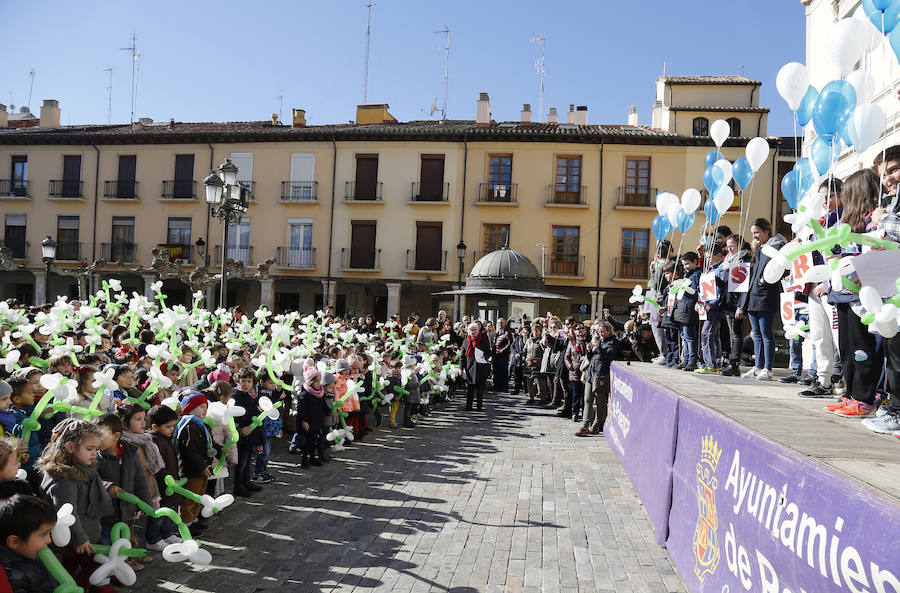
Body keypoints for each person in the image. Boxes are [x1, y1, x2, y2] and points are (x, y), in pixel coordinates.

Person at [825, 169, 884, 418]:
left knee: (863, 348)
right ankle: (850, 393)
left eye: (847, 193)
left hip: (863, 292)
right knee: (847, 348)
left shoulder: (875, 220)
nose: (843, 198)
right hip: (842, 291)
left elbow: (874, 252)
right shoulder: (845, 223)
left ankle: (864, 397)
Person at [37, 419, 115, 590]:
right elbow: (67, 514)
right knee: (76, 573)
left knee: (85, 570)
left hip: (85, 537)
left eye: (96, 449)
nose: (94, 453)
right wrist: (80, 538)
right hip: (73, 544)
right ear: (71, 447)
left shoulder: (83, 469)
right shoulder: (65, 480)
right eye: (89, 449)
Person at [94, 413, 151, 572]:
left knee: (125, 536)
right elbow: (93, 478)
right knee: (107, 541)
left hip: (126, 507)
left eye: (100, 437)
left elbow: (140, 479)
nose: (96, 442)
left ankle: (127, 560)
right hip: (107, 511)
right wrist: (107, 486)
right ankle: (112, 570)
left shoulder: (129, 453)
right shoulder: (96, 456)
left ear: (116, 436)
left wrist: (145, 503)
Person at [737, 218, 786, 381]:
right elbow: (751, 278)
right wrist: (742, 304)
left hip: (766, 296)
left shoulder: (777, 246)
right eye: (753, 233)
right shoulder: (758, 249)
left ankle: (768, 369)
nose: (755, 236)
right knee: (756, 335)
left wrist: (766, 280)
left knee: (766, 334)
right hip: (753, 297)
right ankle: (758, 366)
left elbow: (782, 268)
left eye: (757, 232)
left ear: (766, 231)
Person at [174, 391, 217, 529]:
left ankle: (194, 520)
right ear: (190, 409)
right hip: (191, 470)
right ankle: (185, 524)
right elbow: (190, 451)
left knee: (198, 496)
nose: (205, 409)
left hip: (201, 469)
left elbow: (208, 443)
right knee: (190, 498)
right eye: (201, 407)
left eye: (206, 406)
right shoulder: (188, 427)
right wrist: (202, 466)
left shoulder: (201, 424)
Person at [0, 495, 57, 593]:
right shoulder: (10, 575)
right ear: (14, 542)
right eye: (44, 534)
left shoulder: (34, 553)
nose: (49, 540)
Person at [577, 322, 624, 436]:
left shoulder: (614, 342)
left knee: (600, 402)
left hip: (602, 375)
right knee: (587, 399)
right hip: (591, 374)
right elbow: (593, 358)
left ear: (609, 331)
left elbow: (609, 357)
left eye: (602, 331)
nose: (600, 334)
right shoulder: (599, 341)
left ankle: (596, 426)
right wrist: (589, 351)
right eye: (599, 331)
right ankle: (585, 425)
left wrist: (597, 348)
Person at [146, 404, 182, 550]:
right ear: (155, 427)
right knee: (158, 513)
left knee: (168, 511)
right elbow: (157, 466)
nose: (172, 429)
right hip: (161, 485)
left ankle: (166, 534)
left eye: (173, 426)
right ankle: (153, 538)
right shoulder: (154, 442)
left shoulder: (164, 438)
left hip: (169, 483)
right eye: (168, 426)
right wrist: (169, 479)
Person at [720, 234, 752, 377]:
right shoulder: (727, 261)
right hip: (728, 301)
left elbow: (743, 285)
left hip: (737, 301)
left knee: (736, 334)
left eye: (732, 245)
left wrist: (741, 306)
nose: (729, 249)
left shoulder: (744, 259)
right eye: (727, 246)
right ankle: (732, 363)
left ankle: (734, 364)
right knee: (732, 334)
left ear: (740, 244)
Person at [231, 369, 262, 498]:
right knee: (241, 461)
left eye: (249, 381)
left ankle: (246, 481)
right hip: (241, 434)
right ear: (238, 382)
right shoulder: (236, 396)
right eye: (243, 381)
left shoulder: (251, 395)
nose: (246, 384)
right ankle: (238, 486)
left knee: (248, 460)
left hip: (250, 433)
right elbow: (234, 415)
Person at [698, 244, 726, 373]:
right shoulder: (710, 269)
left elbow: (721, 291)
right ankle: (716, 364)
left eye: (710, 257)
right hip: (708, 307)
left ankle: (710, 364)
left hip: (714, 309)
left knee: (707, 335)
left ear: (719, 256)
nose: (707, 260)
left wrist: (713, 303)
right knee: (713, 336)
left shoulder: (719, 269)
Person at [673, 252, 701, 372]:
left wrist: (683, 287)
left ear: (695, 262)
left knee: (689, 336)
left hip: (689, 308)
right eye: (684, 264)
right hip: (683, 308)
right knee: (684, 336)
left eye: (687, 264)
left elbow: (694, 291)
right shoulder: (687, 275)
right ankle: (685, 360)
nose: (685, 267)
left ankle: (692, 361)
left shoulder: (695, 275)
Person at [296, 367, 328, 468]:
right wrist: (304, 421)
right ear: (310, 382)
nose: (319, 383)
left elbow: (323, 405)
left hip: (317, 420)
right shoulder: (305, 394)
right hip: (308, 421)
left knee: (314, 440)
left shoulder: (321, 393)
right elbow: (302, 409)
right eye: (316, 381)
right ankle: (304, 460)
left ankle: (312, 458)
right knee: (307, 442)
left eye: (320, 380)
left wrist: (329, 410)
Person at [463, 322, 490, 411]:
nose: (474, 332)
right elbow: (462, 356)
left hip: (481, 367)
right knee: (470, 388)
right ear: (468, 331)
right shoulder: (466, 341)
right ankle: (469, 406)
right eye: (472, 330)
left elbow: (489, 352)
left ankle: (479, 406)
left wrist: (485, 356)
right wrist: (461, 368)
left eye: (475, 330)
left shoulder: (483, 339)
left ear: (478, 331)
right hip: (470, 367)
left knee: (480, 389)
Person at [492, 318, 512, 392]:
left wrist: (501, 350)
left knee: (503, 371)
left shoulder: (507, 332)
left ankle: (504, 387)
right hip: (496, 354)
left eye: (501, 323)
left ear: (504, 324)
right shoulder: (497, 332)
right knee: (496, 371)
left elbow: (509, 343)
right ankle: (497, 386)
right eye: (498, 323)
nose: (500, 324)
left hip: (503, 355)